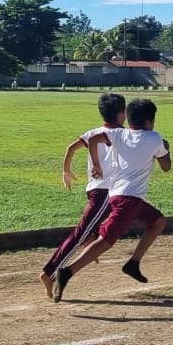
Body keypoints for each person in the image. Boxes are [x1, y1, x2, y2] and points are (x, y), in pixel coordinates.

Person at [52, 97, 172, 302]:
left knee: (159, 221)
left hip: (119, 195)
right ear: (149, 122)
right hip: (129, 200)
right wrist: (165, 148)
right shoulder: (154, 138)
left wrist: (96, 165)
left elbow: (93, 140)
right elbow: (167, 167)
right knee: (106, 241)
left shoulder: (118, 133)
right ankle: (67, 272)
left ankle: (133, 263)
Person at [40, 93, 127, 302]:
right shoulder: (122, 135)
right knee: (79, 234)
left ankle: (92, 238)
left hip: (98, 189)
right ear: (121, 114)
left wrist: (66, 171)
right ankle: (50, 273)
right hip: (105, 192)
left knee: (119, 216)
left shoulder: (93, 132)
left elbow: (71, 148)